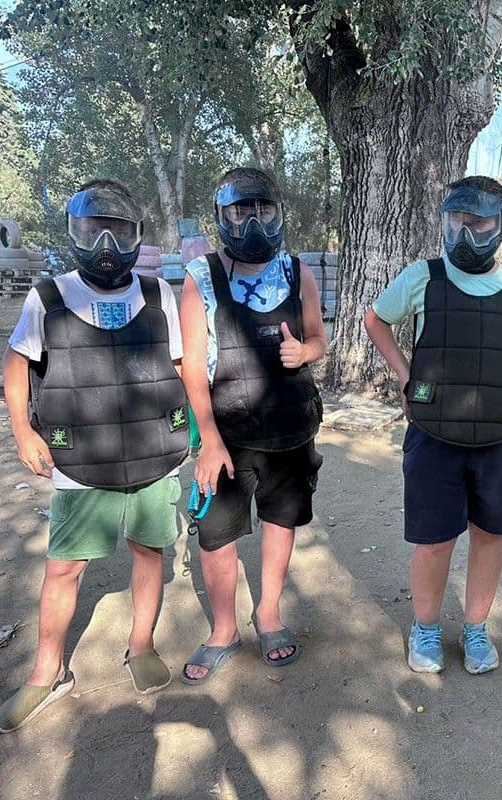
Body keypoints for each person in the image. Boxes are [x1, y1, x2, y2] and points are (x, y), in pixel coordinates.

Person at [0, 180, 188, 732]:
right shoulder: (49, 297)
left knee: (149, 551)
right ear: (72, 233)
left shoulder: (158, 294)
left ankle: (141, 645)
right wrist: (22, 432)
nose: (106, 243)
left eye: (118, 231)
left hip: (153, 452)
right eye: (92, 229)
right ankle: (46, 673)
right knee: (64, 567)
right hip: (80, 458)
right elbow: (16, 362)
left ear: (136, 235)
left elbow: (178, 366)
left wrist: (196, 433)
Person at [365, 176, 502, 674]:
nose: (466, 233)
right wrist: (405, 375)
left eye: (479, 223)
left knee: (489, 535)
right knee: (435, 539)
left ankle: (476, 629)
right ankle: (425, 629)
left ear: (500, 226)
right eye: (457, 221)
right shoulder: (422, 277)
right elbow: (376, 320)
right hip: (434, 437)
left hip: (501, 439)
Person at [179, 167, 327, 683]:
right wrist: (209, 441)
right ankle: (223, 631)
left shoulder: (298, 272)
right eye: (241, 213)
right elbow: (192, 367)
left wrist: (303, 351)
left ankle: (268, 614)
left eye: (264, 211)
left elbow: (319, 339)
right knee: (216, 534)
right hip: (227, 438)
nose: (254, 223)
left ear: (279, 213)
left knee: (281, 522)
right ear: (223, 217)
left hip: (290, 431)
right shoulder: (200, 277)